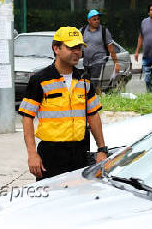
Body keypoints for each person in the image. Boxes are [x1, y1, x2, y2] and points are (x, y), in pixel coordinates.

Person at [18, 27, 108, 180]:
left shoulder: (84, 79)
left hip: (80, 152)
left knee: (77, 199)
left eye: (79, 48)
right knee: (51, 201)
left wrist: (102, 149)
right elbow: (27, 118)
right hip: (51, 154)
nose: (77, 52)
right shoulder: (40, 79)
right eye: (71, 47)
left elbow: (93, 115)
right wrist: (32, 154)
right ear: (56, 48)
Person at [81, 9, 120, 94]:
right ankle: (99, 98)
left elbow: (111, 48)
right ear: (89, 20)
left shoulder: (104, 31)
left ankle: (93, 101)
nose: (97, 21)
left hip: (99, 60)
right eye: (94, 19)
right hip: (86, 61)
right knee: (88, 83)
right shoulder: (83, 30)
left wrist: (116, 63)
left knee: (94, 81)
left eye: (98, 19)